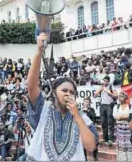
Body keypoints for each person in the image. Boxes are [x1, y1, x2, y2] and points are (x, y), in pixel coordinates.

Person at [26, 33, 98, 161]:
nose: (68, 94)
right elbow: (31, 87)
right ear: (54, 93)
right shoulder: (43, 109)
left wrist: (77, 116)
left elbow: (91, 146)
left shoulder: (83, 117)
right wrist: (39, 51)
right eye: (64, 90)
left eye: (72, 92)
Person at [113, 92, 132, 161]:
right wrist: (125, 117)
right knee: (121, 145)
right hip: (119, 130)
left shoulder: (130, 106)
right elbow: (115, 116)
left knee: (130, 144)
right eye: (119, 96)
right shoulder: (116, 106)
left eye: (122, 96)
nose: (120, 97)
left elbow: (131, 116)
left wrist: (121, 116)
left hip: (128, 129)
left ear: (126, 97)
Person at [94, 75, 118, 145]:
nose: (105, 82)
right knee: (103, 122)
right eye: (104, 81)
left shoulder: (111, 87)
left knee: (110, 122)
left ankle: (111, 139)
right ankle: (105, 138)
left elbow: (116, 96)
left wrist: (108, 92)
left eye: (106, 81)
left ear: (109, 81)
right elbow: (94, 96)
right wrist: (98, 91)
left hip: (109, 105)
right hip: (102, 105)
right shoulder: (101, 87)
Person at [82, 96, 99, 161]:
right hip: (84, 130)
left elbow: (93, 117)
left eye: (87, 102)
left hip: (91, 129)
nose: (86, 103)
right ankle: (85, 158)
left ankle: (95, 157)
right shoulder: (81, 110)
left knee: (94, 144)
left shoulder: (92, 109)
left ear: (89, 103)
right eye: (85, 101)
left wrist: (88, 111)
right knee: (83, 145)